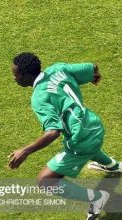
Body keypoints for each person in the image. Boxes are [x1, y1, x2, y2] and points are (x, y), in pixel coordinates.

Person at [8, 52, 121, 220]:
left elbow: (53, 132)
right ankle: (114, 166)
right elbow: (92, 68)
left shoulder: (39, 97)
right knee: (86, 147)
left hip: (81, 139)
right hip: (94, 125)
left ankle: (99, 198)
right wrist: (93, 76)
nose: (14, 78)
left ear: (25, 76)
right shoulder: (57, 69)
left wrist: (25, 151)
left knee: (45, 181)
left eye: (15, 75)